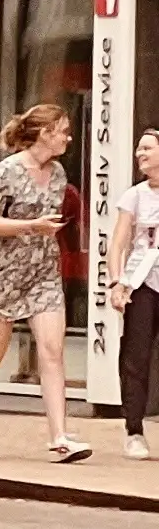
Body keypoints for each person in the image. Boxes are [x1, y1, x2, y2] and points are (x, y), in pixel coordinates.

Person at [0, 100, 86, 463]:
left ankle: (60, 436)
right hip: (2, 273)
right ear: (45, 134)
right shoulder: (7, 171)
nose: (68, 138)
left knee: (52, 351)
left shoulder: (59, 173)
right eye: (62, 131)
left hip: (43, 270)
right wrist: (31, 226)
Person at [105, 128, 159, 461]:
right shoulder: (135, 196)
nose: (140, 154)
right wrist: (116, 282)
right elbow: (119, 243)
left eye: (148, 148)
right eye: (138, 148)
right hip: (143, 285)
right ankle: (134, 430)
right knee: (136, 358)